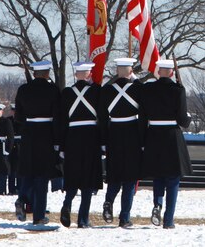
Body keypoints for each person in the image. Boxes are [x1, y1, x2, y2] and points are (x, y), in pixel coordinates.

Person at [140, 58, 194, 230]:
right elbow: (183, 120)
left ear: (158, 72)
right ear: (172, 72)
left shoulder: (148, 89)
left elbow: (142, 116)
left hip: (153, 136)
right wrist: (189, 117)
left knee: (158, 175)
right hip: (171, 136)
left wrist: (143, 140)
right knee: (173, 178)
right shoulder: (177, 90)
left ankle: (157, 203)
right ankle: (168, 219)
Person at [13, 60, 60, 227]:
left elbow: (18, 117)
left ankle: (22, 198)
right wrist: (57, 140)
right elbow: (57, 116)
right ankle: (38, 216)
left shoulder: (24, 90)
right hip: (46, 134)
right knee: (42, 176)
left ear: (34, 74)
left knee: (28, 171)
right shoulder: (53, 90)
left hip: (28, 134)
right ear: (47, 73)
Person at [99, 57, 144, 228]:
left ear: (117, 71)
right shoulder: (138, 88)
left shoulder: (107, 90)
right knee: (130, 179)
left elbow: (102, 118)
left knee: (115, 174)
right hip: (132, 132)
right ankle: (124, 217)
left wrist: (104, 140)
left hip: (114, 133)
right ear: (131, 71)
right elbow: (143, 116)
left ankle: (109, 200)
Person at [57, 61, 102, 228]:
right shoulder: (96, 91)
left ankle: (67, 203)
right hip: (91, 137)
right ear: (89, 74)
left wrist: (62, 146)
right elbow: (103, 117)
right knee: (88, 180)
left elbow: (62, 121)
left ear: (76, 75)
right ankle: (83, 219)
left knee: (73, 176)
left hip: (72, 137)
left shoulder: (67, 93)